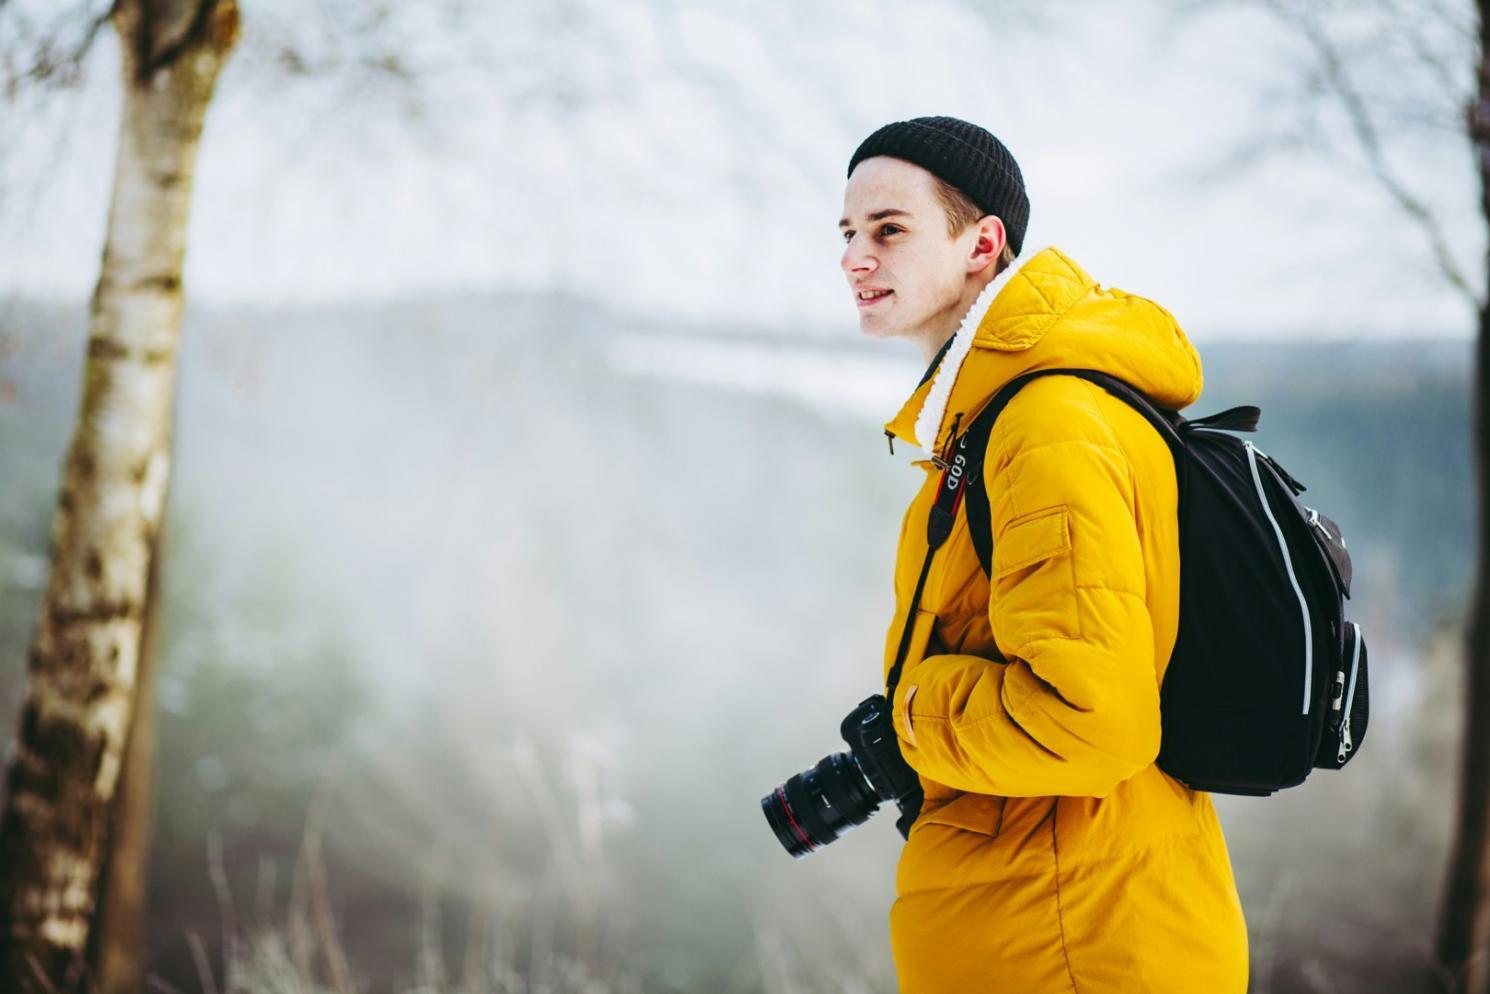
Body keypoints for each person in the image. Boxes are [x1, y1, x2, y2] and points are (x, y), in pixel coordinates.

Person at [840, 115, 1249, 992]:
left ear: (982, 243)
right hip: (1054, 925)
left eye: (889, 229)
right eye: (847, 233)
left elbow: (1089, 723)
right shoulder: (991, 421)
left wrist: (913, 714)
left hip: (1076, 947)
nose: (854, 258)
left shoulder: (1044, 426)